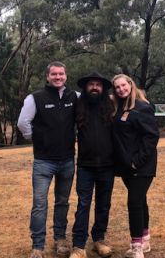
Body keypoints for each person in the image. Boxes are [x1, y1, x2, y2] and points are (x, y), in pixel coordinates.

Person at [17, 61, 78, 258]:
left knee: (62, 202)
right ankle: (38, 246)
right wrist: (37, 138)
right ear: (47, 77)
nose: (58, 77)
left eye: (61, 74)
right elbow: (22, 123)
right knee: (40, 204)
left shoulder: (75, 97)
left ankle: (60, 240)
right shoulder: (35, 98)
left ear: (66, 76)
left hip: (68, 160)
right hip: (44, 161)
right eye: (54, 74)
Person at [111, 74, 159, 258]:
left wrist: (137, 161)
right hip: (126, 166)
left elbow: (151, 137)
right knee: (140, 201)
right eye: (117, 87)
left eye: (124, 85)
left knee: (134, 202)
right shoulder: (119, 107)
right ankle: (145, 240)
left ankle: (136, 247)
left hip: (141, 165)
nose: (121, 89)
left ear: (130, 85)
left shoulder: (142, 107)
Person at [70, 72, 116, 258]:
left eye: (98, 84)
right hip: (85, 166)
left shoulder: (111, 106)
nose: (95, 87)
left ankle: (99, 240)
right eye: (91, 84)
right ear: (85, 87)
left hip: (108, 165)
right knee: (83, 204)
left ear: (103, 88)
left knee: (104, 205)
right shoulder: (78, 106)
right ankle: (79, 246)